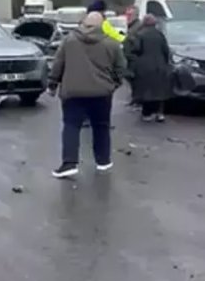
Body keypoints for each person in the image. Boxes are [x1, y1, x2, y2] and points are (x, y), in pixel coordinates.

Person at [48, 11, 126, 178]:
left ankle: (69, 163)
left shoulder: (69, 41)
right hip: (101, 93)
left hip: (73, 92)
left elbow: (58, 64)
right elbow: (120, 68)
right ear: (102, 25)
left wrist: (52, 85)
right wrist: (113, 84)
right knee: (101, 126)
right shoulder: (111, 43)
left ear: (83, 23)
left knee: (71, 126)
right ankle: (103, 161)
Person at [128, 13, 172, 122]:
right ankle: (160, 113)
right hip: (160, 65)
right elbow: (166, 50)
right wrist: (166, 63)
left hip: (145, 66)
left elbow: (136, 49)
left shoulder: (140, 35)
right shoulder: (160, 34)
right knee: (160, 91)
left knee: (146, 91)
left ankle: (147, 113)